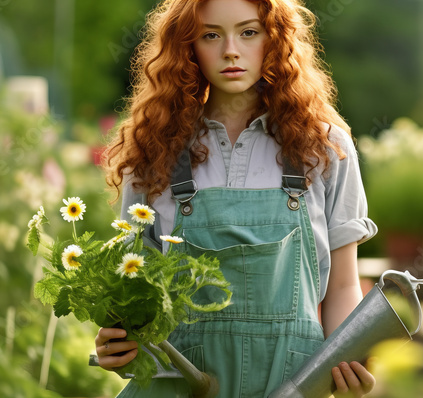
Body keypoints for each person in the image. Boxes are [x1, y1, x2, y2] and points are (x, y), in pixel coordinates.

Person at [97, 0, 378, 396]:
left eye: (249, 32)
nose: (231, 49)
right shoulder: (153, 151)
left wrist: (348, 359)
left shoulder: (325, 147)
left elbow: (344, 286)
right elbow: (136, 289)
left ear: (275, 39)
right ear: (187, 46)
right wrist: (118, 343)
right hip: (180, 387)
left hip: (290, 385)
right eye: (211, 35)